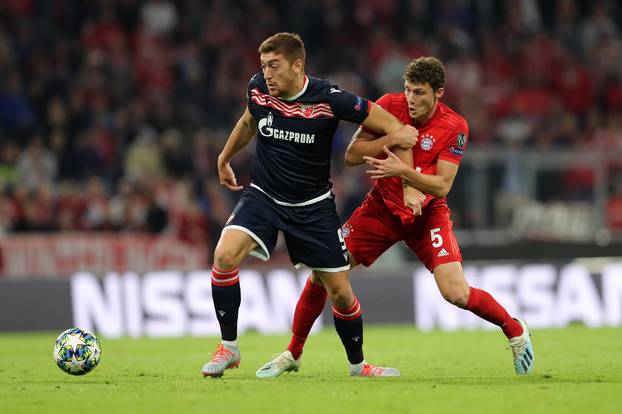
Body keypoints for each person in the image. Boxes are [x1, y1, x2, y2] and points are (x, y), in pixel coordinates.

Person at [256, 57, 535, 378]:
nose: (411, 99)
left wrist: (405, 173)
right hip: (381, 210)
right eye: (408, 91)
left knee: (455, 292)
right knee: (323, 273)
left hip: (427, 215)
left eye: (419, 93)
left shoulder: (455, 126)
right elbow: (351, 156)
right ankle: (293, 352)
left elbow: (443, 185)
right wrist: (391, 139)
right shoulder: (389, 105)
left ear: (438, 93)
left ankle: (514, 329)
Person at [201, 32, 420, 378]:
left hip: (312, 206)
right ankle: (228, 347)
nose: (267, 73)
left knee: (341, 293)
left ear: (297, 64)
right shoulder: (257, 88)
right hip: (263, 196)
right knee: (224, 256)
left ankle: (358, 366)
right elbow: (248, 121)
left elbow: (395, 128)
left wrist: (406, 177)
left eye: (275, 66)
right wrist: (225, 157)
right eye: (264, 66)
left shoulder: (330, 98)